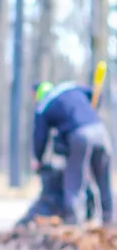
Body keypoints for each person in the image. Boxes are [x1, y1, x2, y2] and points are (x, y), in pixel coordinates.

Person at [33, 81, 113, 225]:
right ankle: (111, 222)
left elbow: (40, 136)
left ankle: (75, 224)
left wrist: (38, 158)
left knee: (75, 181)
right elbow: (97, 95)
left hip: (79, 136)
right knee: (104, 181)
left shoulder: (44, 106)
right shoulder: (71, 87)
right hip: (101, 131)